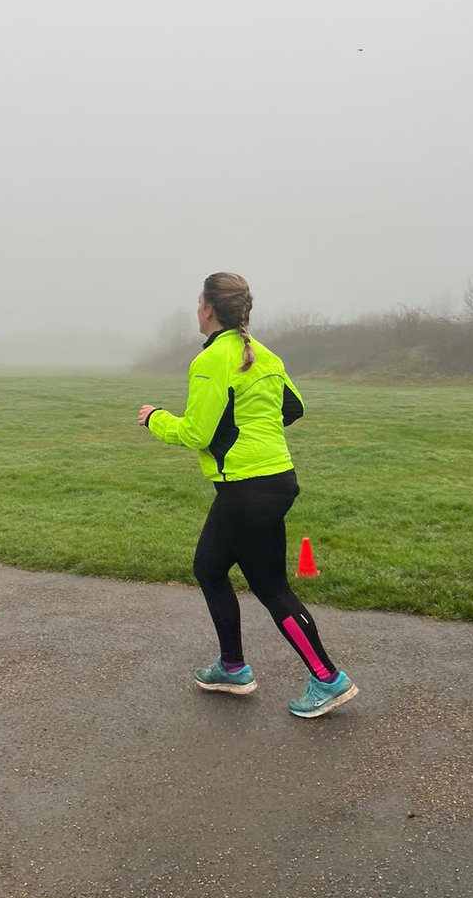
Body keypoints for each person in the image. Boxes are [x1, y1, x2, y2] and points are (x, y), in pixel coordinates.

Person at [137, 272, 358, 717]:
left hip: (245, 488)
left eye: (199, 301)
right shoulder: (266, 355)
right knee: (209, 567)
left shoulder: (212, 360)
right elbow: (293, 407)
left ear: (209, 309)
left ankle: (328, 678)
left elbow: (196, 433)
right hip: (272, 479)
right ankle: (232, 666)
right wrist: (254, 432)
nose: (196, 308)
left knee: (271, 588)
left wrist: (155, 417)